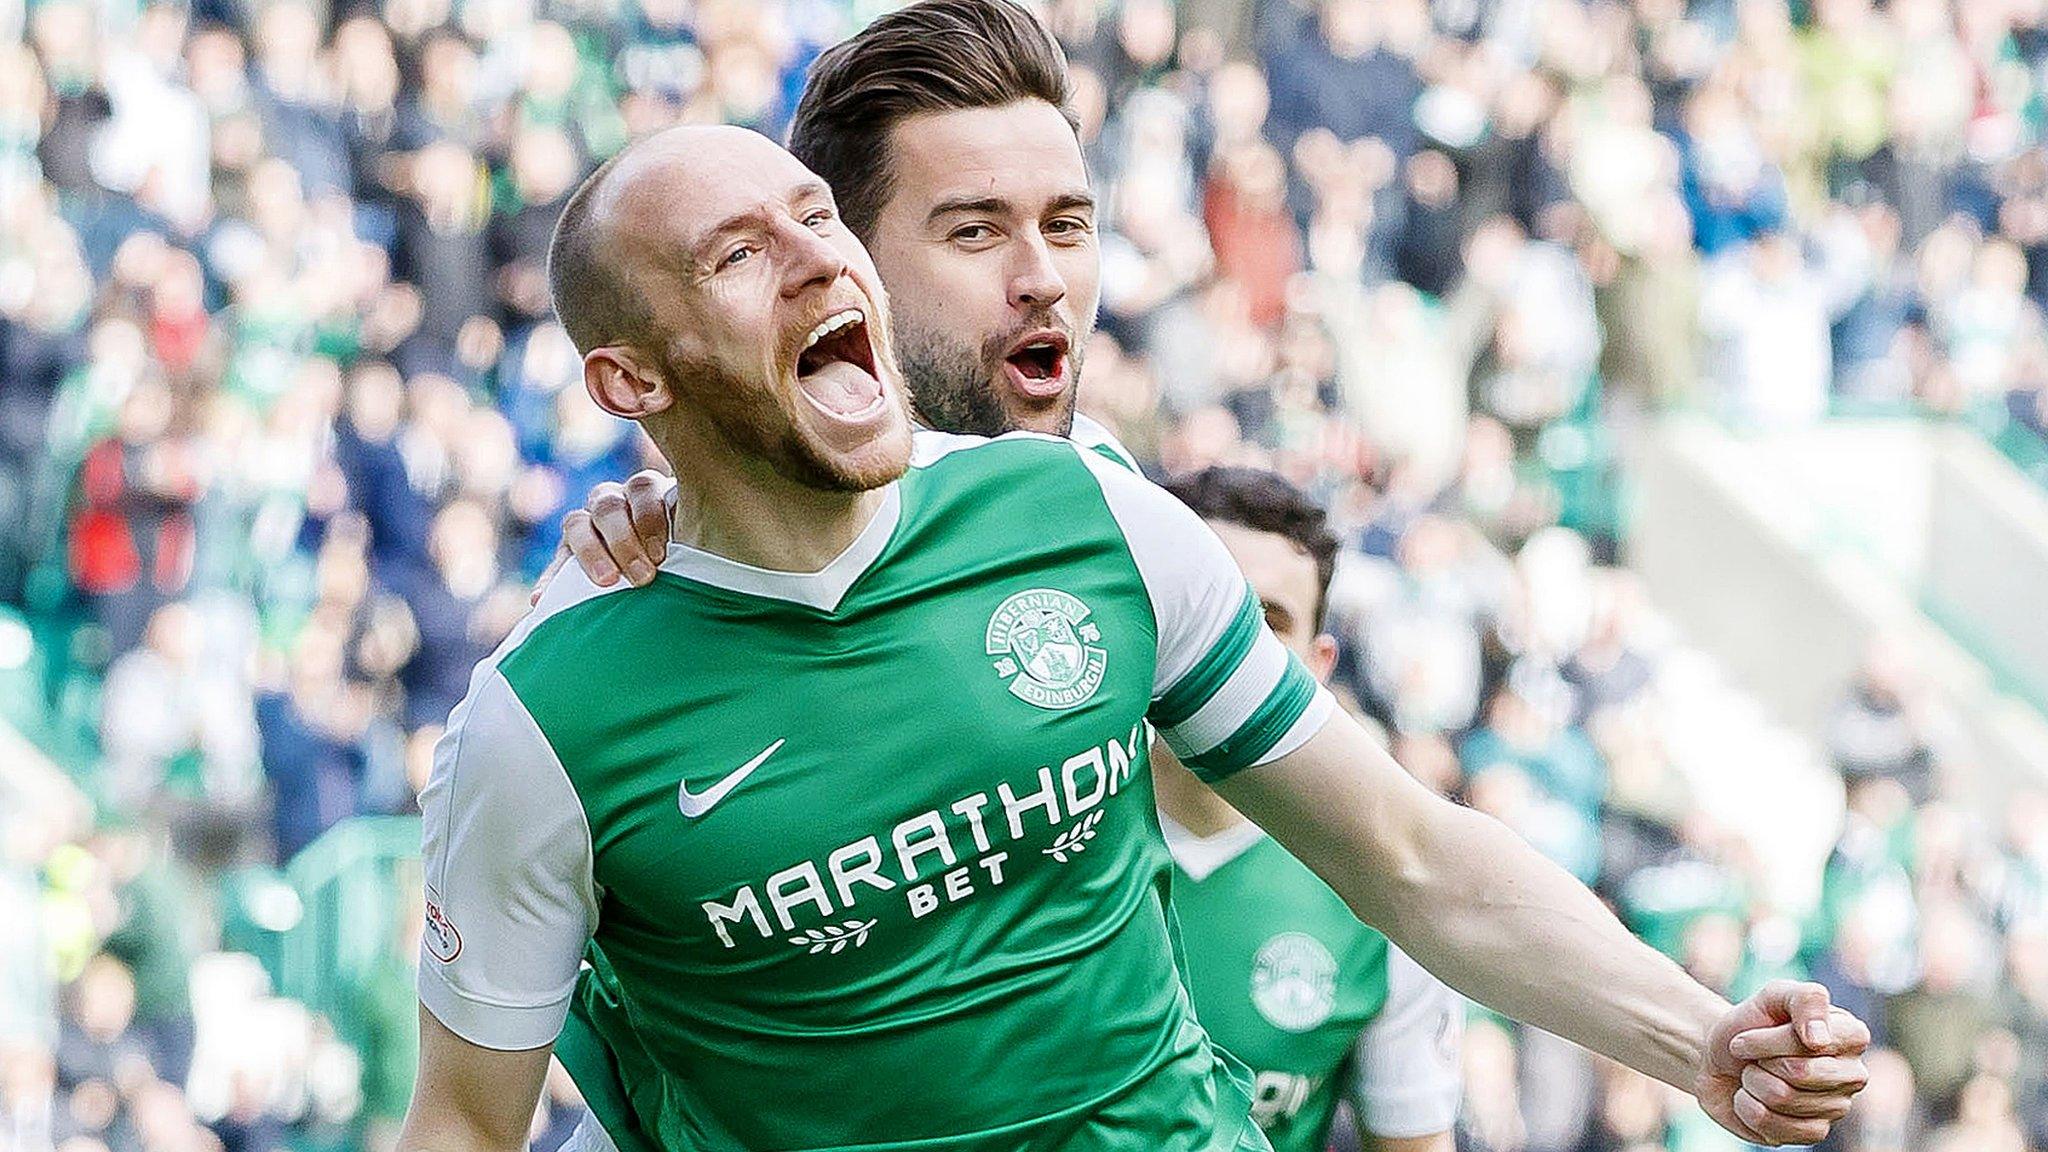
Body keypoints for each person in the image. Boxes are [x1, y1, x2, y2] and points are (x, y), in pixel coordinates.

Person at [404, 7, 1871, 1152]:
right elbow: (475, 1114)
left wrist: (1695, 1041)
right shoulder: (555, 711)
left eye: (1072, 223)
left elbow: (1410, 859)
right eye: (976, 230)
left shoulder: (1090, 515)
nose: (1043, 277)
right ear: (630, 375)